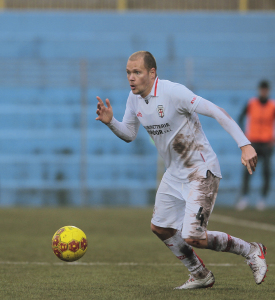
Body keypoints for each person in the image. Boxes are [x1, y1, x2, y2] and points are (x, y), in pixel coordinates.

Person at [95, 51, 267, 289]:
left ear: (152, 73)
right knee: (161, 228)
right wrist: (111, 122)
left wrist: (244, 144)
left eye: (137, 72)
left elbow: (216, 111)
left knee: (193, 236)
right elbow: (130, 134)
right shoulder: (133, 99)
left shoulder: (174, 92)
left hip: (201, 171)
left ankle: (251, 250)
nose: (131, 78)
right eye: (128, 73)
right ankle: (199, 274)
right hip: (174, 173)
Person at [236, 80, 275, 211]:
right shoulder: (251, 103)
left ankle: (262, 199)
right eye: (262, 89)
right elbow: (240, 118)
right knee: (248, 170)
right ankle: (244, 198)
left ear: (268, 91)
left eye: (265, 89)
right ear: (259, 90)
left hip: (267, 143)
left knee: (267, 171)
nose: (263, 92)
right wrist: (243, 137)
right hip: (252, 142)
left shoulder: (272, 105)